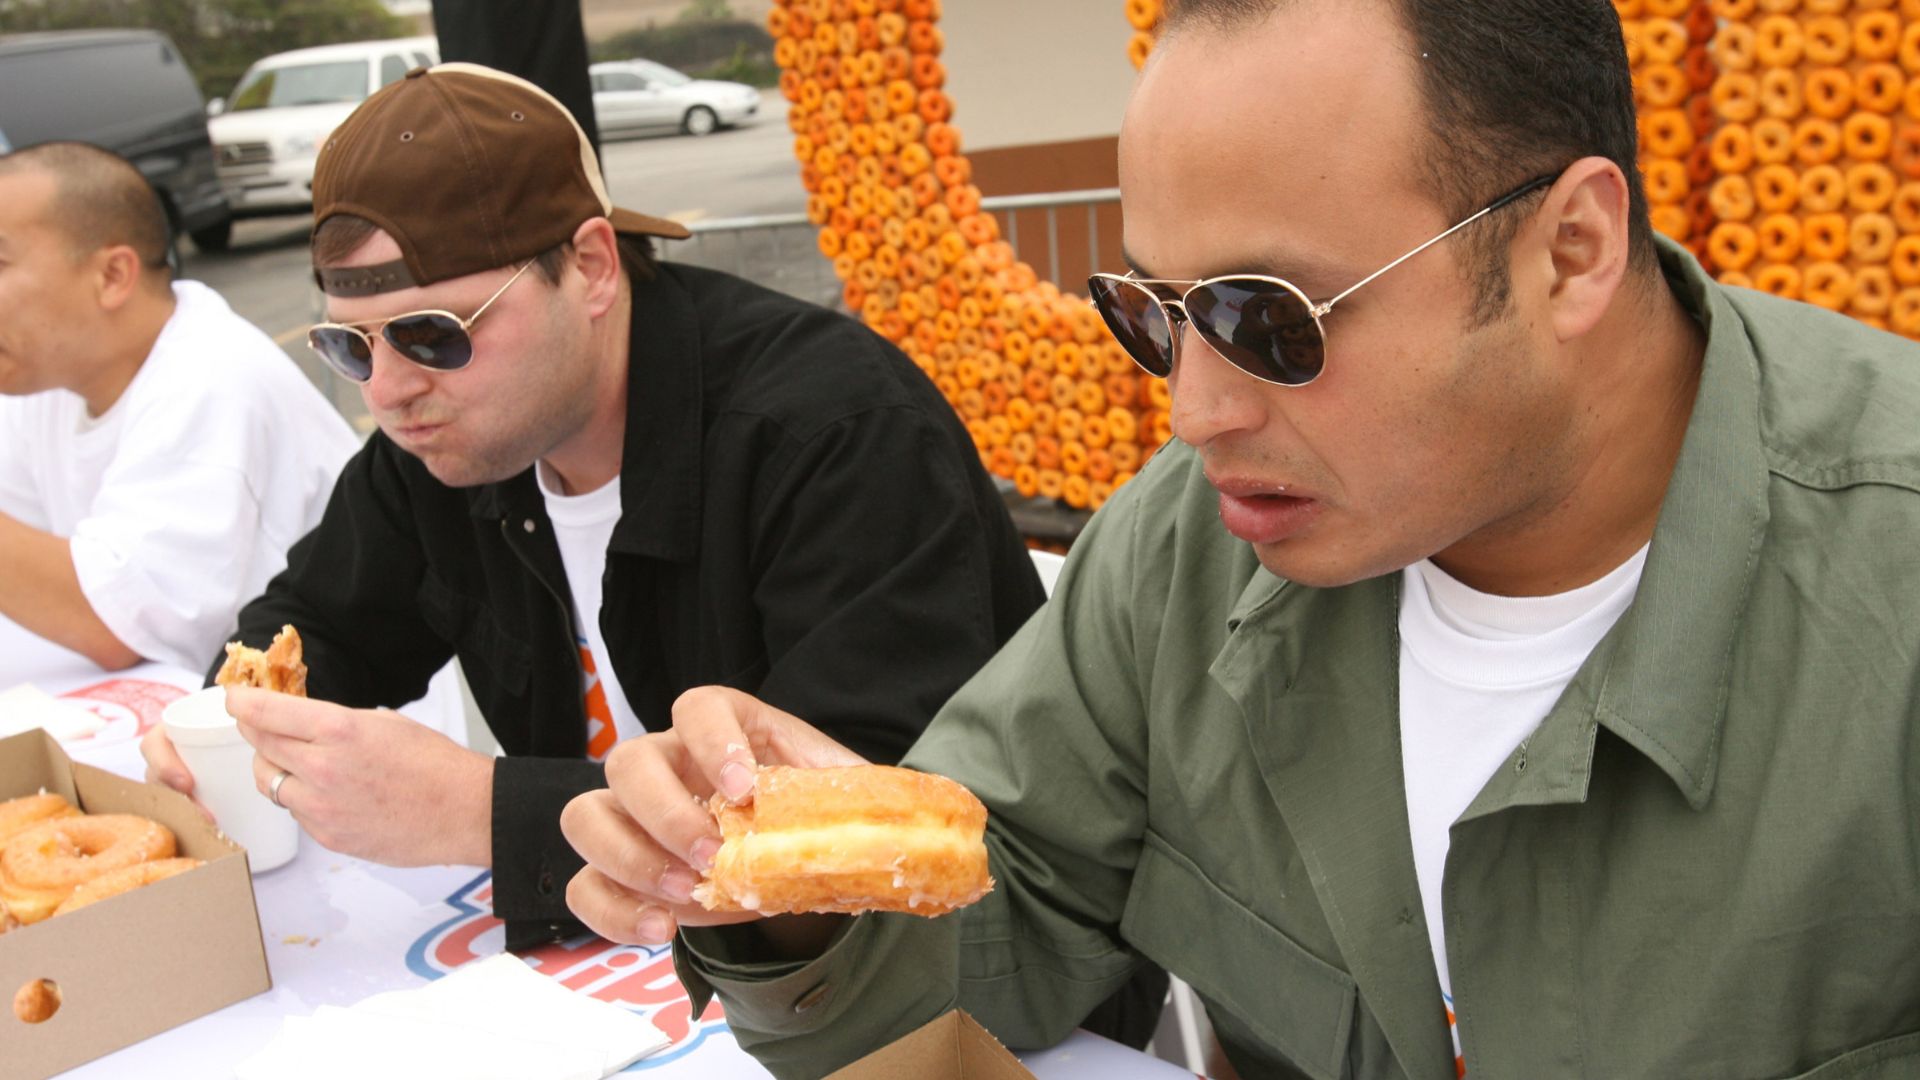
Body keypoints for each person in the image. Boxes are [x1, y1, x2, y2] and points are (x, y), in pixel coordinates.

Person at [558, 1, 1920, 1077]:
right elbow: (1004, 911)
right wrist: (806, 890)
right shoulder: (1188, 556)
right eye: (1158, 315)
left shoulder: (1888, 578)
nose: (1197, 409)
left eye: (1274, 320)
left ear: (1569, 250)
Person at [139, 65, 1049, 961]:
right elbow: (311, 628)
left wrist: (477, 812)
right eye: (348, 344)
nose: (389, 389)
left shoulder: (831, 434)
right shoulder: (442, 442)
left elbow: (867, 826)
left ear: (592, 266)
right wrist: (217, 730)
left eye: (434, 334)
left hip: (926, 987)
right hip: (622, 968)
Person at [0, 142, 358, 674]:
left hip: (327, 734)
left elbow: (117, 622)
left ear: (113, 276)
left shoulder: (213, 376)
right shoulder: (48, 380)